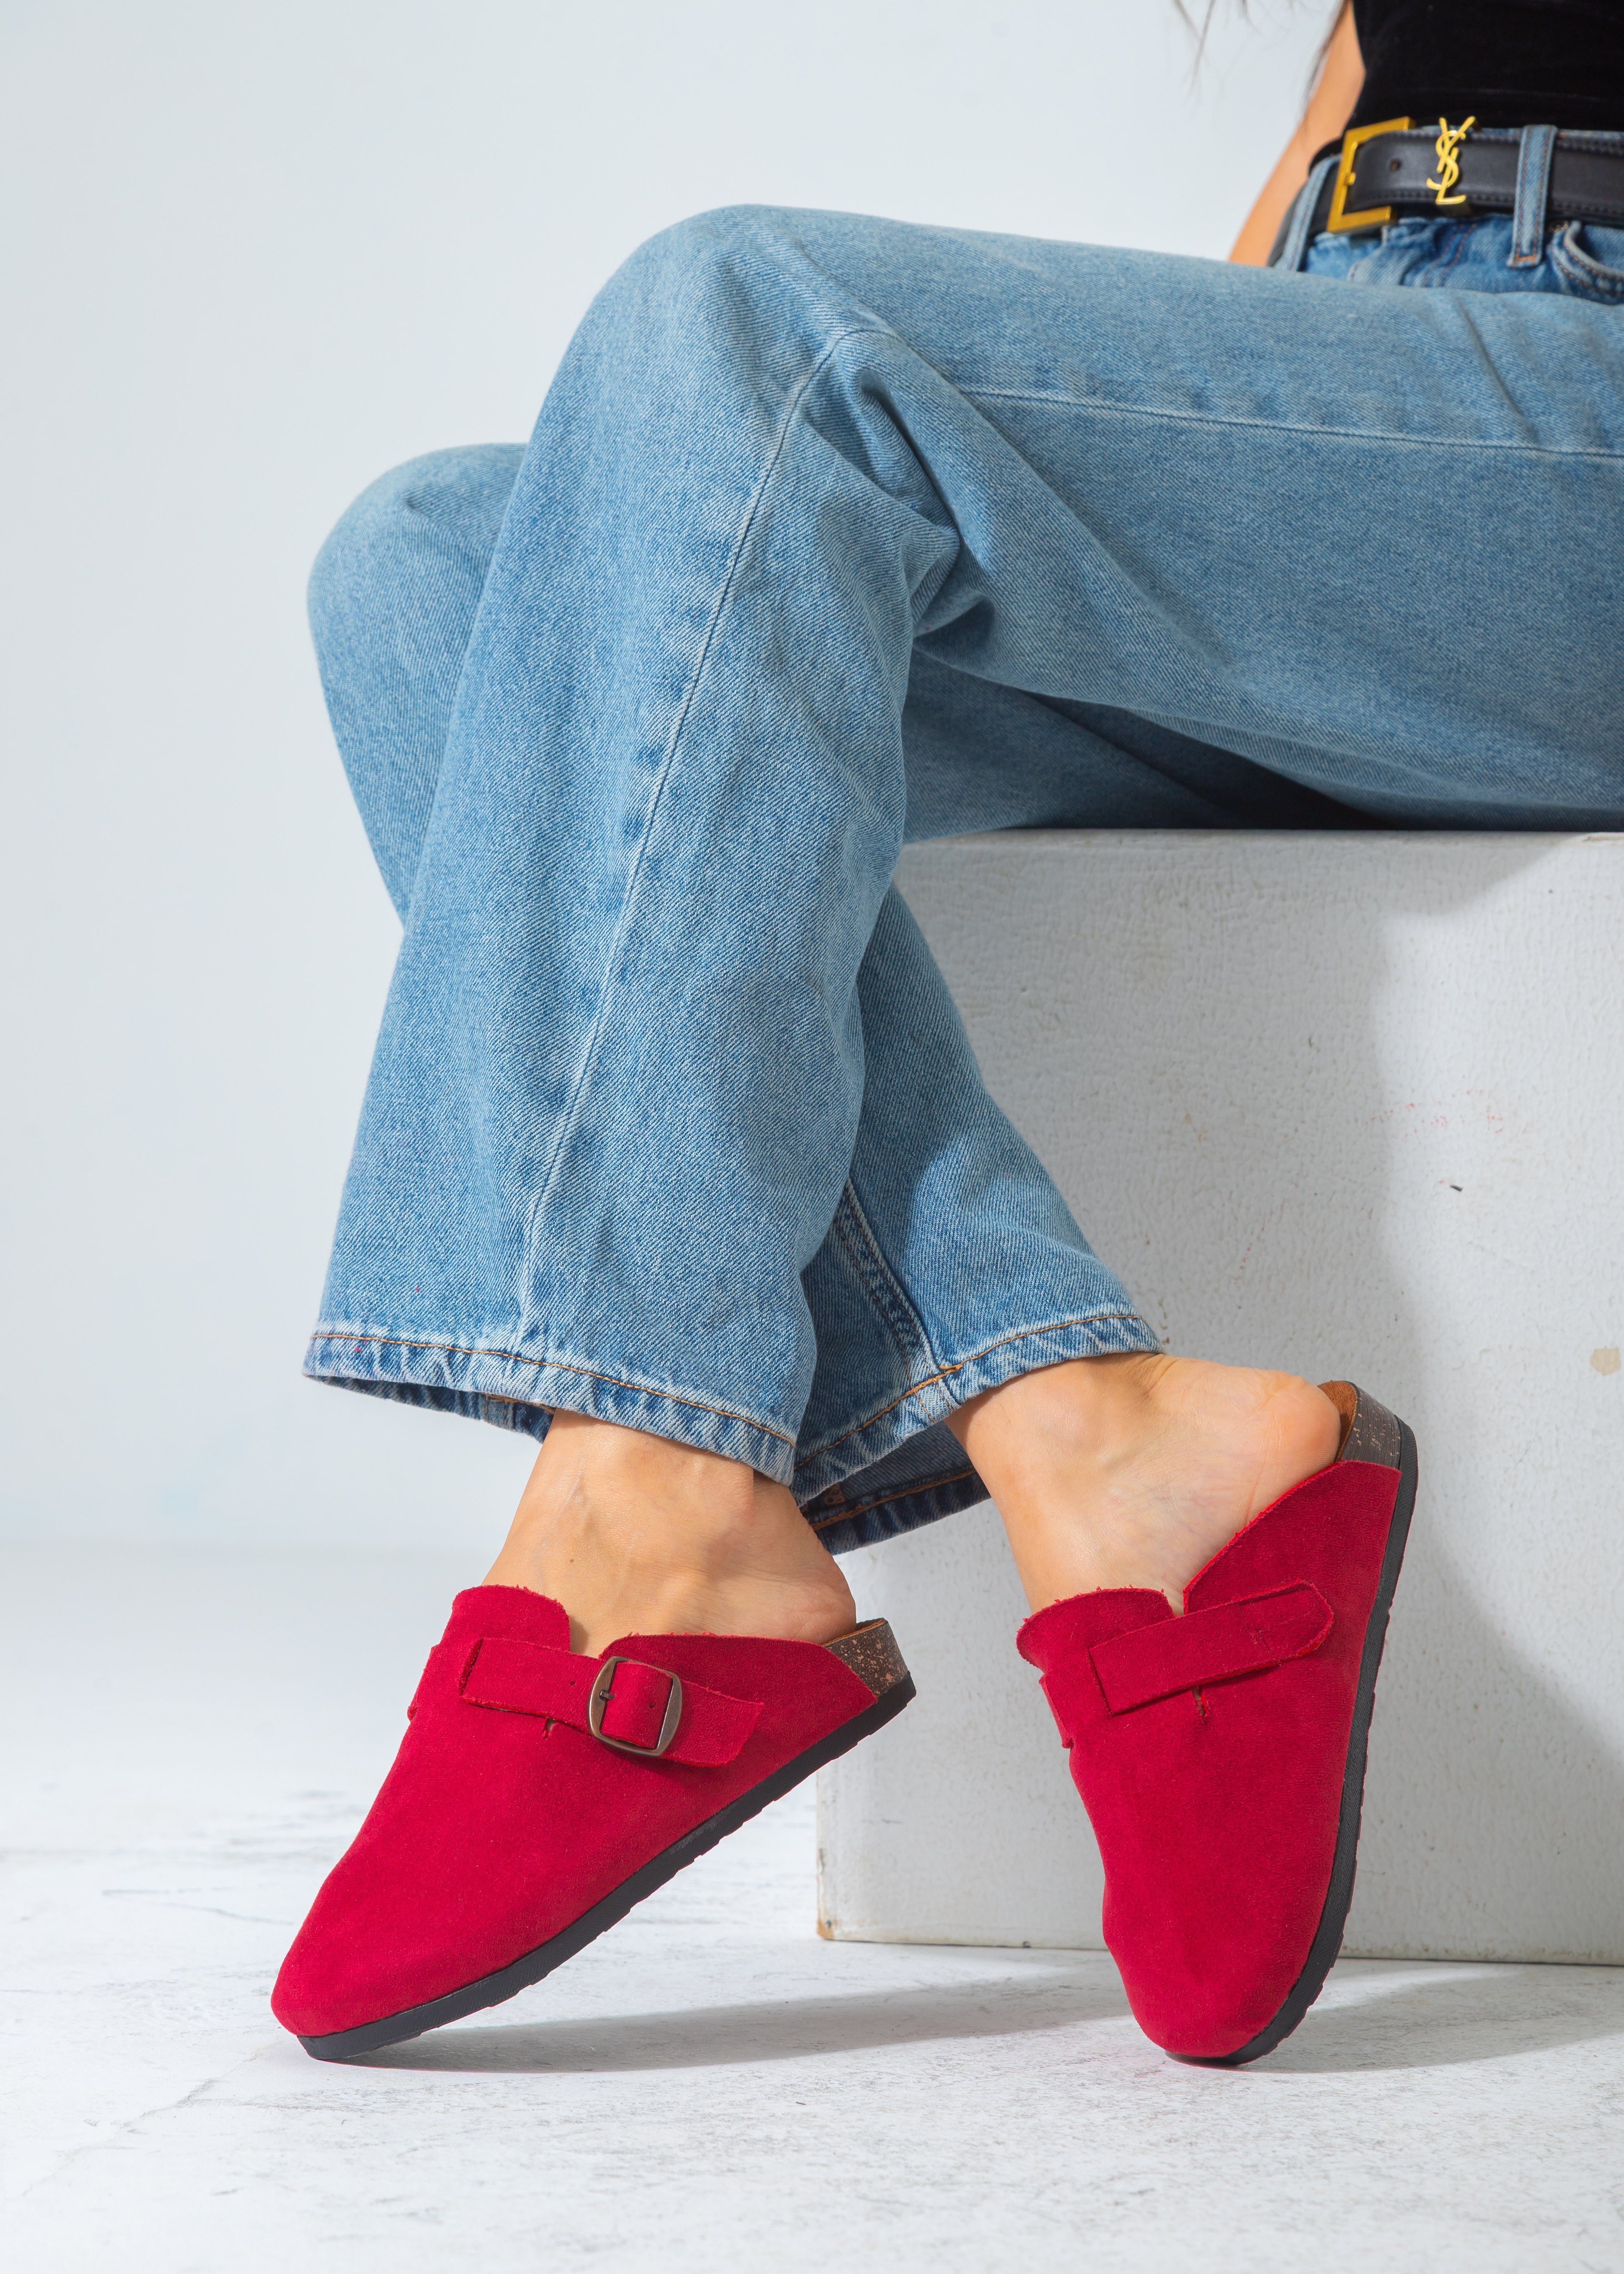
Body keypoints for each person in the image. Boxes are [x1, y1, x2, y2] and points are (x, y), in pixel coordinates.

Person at [271, 0, 1624, 2066]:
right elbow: (1354, 128)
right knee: (443, 572)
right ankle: (1090, 1433)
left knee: (749, 316)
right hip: (1399, 446)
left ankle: (643, 1510)